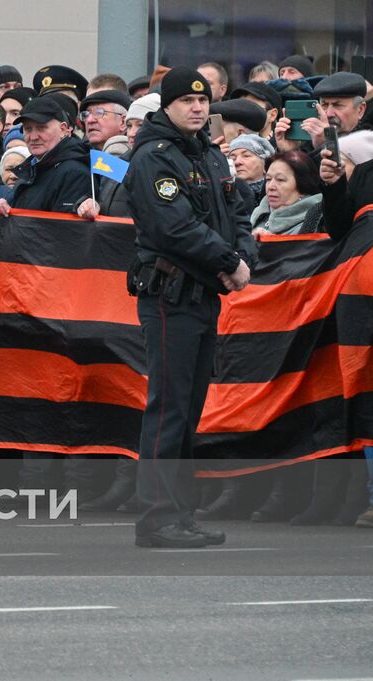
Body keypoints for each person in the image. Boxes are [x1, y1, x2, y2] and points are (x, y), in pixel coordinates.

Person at [125, 66, 256, 548]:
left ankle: (180, 514)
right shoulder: (154, 158)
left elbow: (237, 211)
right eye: (186, 102)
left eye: (203, 102)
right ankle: (158, 518)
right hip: (170, 296)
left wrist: (243, 258)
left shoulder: (209, 153)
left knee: (190, 408)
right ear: (167, 106)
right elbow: (171, 228)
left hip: (202, 294)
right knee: (170, 409)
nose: (198, 108)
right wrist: (228, 262)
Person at [0, 95, 91, 215]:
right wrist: (7, 208)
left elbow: (64, 229)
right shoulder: (31, 169)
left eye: (41, 128)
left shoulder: (74, 173)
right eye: (28, 129)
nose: (33, 137)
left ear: (63, 129)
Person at [250, 150, 324, 236]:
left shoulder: (317, 222)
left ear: (302, 185)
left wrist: (271, 243)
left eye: (280, 179)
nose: (271, 186)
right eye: (268, 179)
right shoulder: (257, 215)